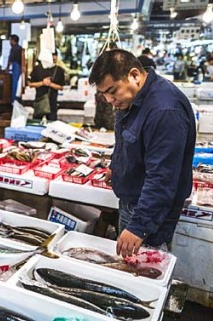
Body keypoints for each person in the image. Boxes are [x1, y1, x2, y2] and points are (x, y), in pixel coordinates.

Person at [88, 49, 196, 257]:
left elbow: (162, 178)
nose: (110, 100)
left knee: (144, 268)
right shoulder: (131, 98)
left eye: (112, 91)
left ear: (134, 75)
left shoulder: (165, 111)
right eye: (104, 95)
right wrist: (116, 165)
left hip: (149, 210)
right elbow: (126, 138)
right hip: (132, 199)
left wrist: (139, 226)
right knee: (128, 264)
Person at [27, 52, 65, 120]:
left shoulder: (59, 70)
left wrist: (50, 84)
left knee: (52, 123)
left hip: (52, 102)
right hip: (40, 100)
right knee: (37, 122)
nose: (54, 57)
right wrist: (42, 83)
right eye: (52, 55)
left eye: (55, 55)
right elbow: (30, 84)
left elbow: (61, 87)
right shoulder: (37, 69)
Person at [7, 34, 23, 103]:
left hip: (16, 66)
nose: (10, 42)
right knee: (18, 84)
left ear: (13, 41)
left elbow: (10, 59)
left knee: (14, 84)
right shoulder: (20, 48)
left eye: (10, 40)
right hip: (20, 67)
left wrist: (7, 68)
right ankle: (17, 99)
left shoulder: (14, 48)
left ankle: (13, 100)